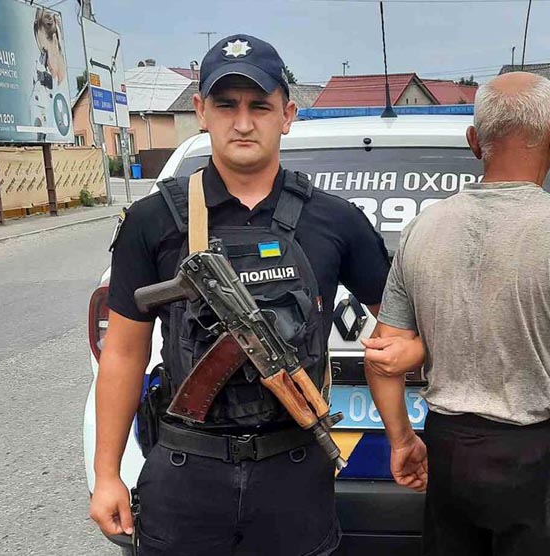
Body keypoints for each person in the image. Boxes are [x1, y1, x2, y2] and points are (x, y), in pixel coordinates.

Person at [88, 35, 408, 556]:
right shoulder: (152, 219)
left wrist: (401, 363)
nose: (242, 122)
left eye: (259, 106)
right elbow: (124, 353)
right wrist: (107, 475)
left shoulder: (335, 220)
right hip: (186, 471)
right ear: (200, 111)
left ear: (287, 115)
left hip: (294, 474)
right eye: (226, 105)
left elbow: (396, 322)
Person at [361, 72, 550, 556]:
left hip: (451, 455)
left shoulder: (423, 228)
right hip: (542, 465)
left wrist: (402, 440)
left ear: (474, 141)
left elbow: (382, 357)